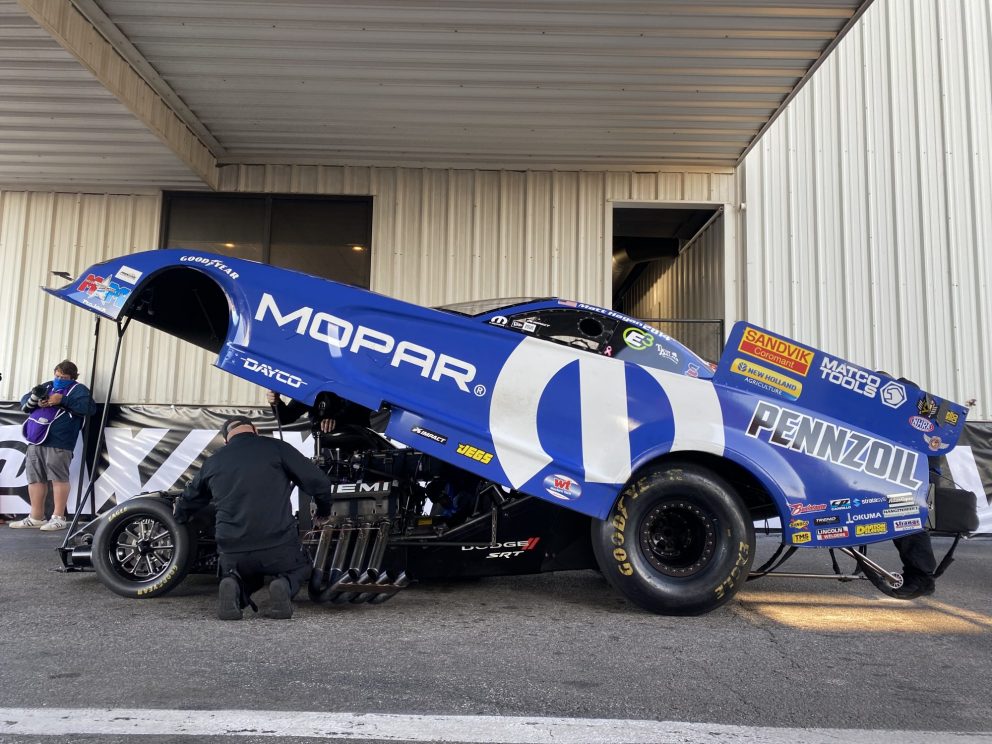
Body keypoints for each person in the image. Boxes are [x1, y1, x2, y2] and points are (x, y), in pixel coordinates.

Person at [173, 415, 333, 620]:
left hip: (232, 549)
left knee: (246, 575)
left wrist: (179, 516)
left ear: (226, 439)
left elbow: (188, 500)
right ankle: (283, 585)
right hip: (276, 545)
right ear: (255, 430)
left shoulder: (213, 461)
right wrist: (323, 511)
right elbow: (319, 482)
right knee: (302, 566)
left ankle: (233, 585)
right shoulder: (276, 448)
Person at [11, 360, 95, 531]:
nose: (59, 379)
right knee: (35, 478)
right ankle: (36, 516)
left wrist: (62, 400)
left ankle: (58, 517)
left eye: (63, 377)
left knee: (58, 478)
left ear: (73, 377)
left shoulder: (78, 390)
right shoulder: (48, 385)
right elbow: (25, 399)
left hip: (60, 441)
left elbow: (89, 408)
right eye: (57, 376)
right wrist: (36, 401)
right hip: (36, 439)